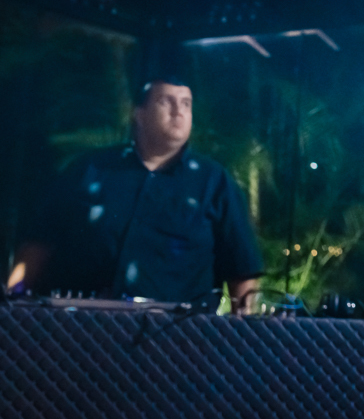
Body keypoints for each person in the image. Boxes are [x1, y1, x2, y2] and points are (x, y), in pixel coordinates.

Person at [7, 76, 263, 311]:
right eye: (166, 101)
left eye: (186, 104)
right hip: (79, 326)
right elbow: (37, 245)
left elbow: (242, 268)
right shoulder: (89, 169)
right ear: (138, 113)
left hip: (179, 335)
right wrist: (13, 307)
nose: (178, 111)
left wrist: (242, 332)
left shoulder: (214, 182)